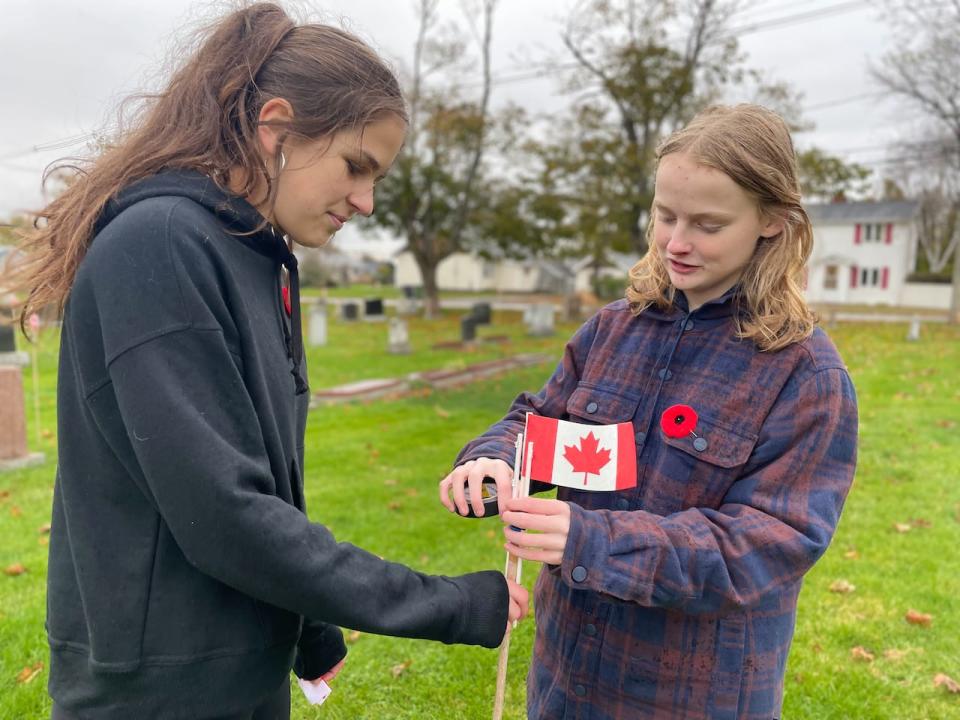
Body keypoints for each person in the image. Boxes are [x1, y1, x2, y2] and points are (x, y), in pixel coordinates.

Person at [10, 4, 527, 719]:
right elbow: (224, 513)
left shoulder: (258, 255)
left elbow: (259, 474)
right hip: (159, 689)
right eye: (356, 166)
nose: (366, 201)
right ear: (276, 128)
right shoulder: (158, 246)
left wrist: (309, 628)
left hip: (237, 666)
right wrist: (449, 604)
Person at [440, 104, 858, 719]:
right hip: (566, 674)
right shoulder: (614, 328)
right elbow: (539, 421)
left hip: (691, 692)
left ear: (772, 220)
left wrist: (594, 539)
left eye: (708, 224)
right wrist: (494, 459)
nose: (677, 242)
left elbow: (769, 543)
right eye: (665, 215)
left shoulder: (805, 374)